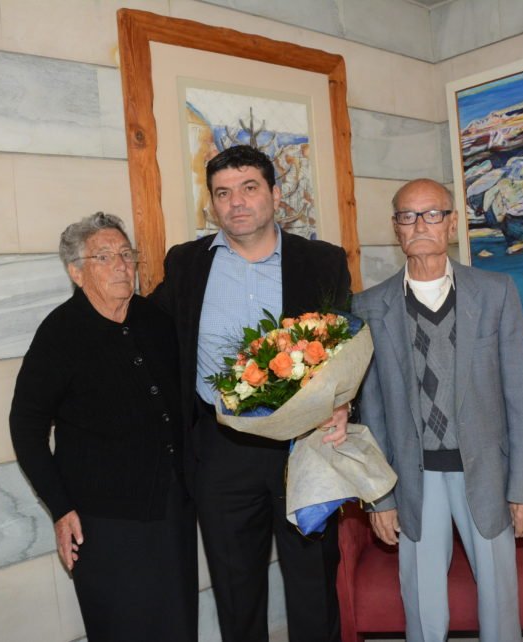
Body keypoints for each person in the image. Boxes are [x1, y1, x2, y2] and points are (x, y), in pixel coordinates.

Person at [151, 145, 350, 642]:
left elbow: (346, 343)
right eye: (222, 193)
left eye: (248, 188)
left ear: (275, 195)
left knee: (313, 584)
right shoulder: (186, 264)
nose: (235, 202)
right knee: (236, 593)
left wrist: (344, 401)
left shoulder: (322, 261)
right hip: (221, 451)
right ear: (211, 203)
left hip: (303, 445)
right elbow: (148, 332)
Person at [353, 179, 523, 642]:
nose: (420, 225)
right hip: (412, 478)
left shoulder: (496, 293)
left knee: (499, 598)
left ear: (452, 223)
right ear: (396, 227)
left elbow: (520, 397)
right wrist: (380, 498)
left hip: (486, 473)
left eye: (432, 214)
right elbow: (371, 414)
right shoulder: (369, 306)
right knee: (421, 601)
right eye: (408, 216)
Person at [9, 212, 197, 642]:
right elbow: (25, 425)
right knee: (120, 625)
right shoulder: (59, 334)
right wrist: (60, 508)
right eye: (104, 257)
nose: (121, 265)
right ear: (76, 272)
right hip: (102, 519)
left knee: (177, 623)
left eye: (126, 254)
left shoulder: (156, 320)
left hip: (171, 507)